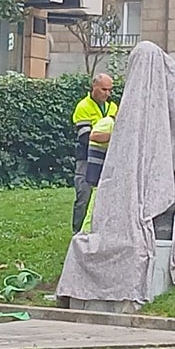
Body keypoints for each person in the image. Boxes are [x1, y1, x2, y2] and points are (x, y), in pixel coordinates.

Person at [71, 73, 118, 232]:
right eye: (104, 89)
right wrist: (113, 137)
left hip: (108, 159)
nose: (107, 93)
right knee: (84, 196)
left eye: (110, 90)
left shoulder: (113, 107)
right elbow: (86, 137)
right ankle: (77, 232)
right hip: (85, 158)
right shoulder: (83, 107)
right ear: (94, 88)